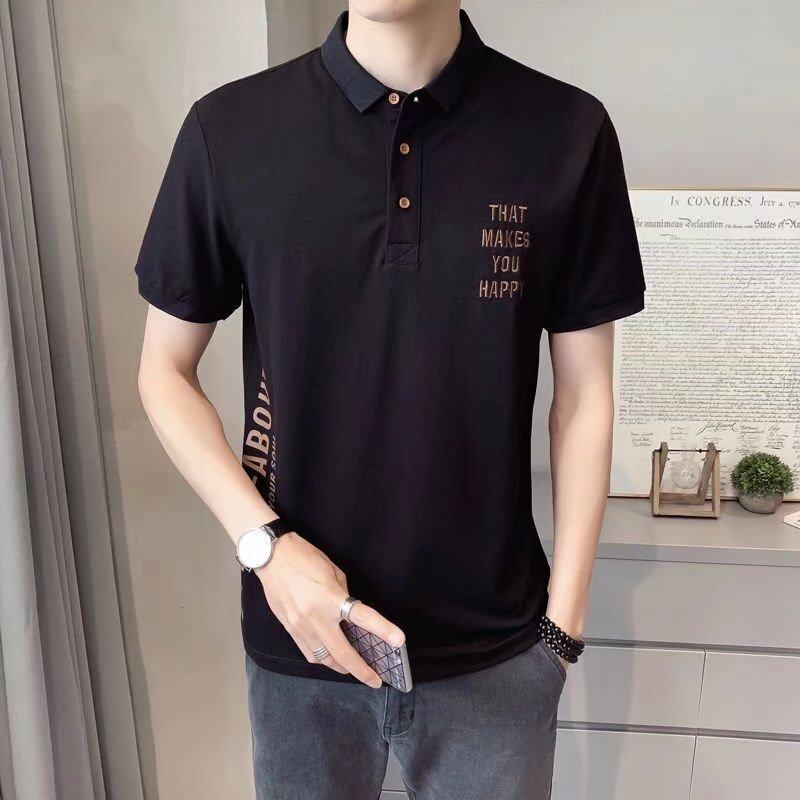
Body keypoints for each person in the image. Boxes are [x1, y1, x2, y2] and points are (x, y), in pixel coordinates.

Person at [135, 1, 645, 798]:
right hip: (303, 640)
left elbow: (584, 393)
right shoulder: (230, 129)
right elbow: (164, 371)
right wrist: (266, 548)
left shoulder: (566, 131)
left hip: (497, 654)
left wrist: (563, 626)